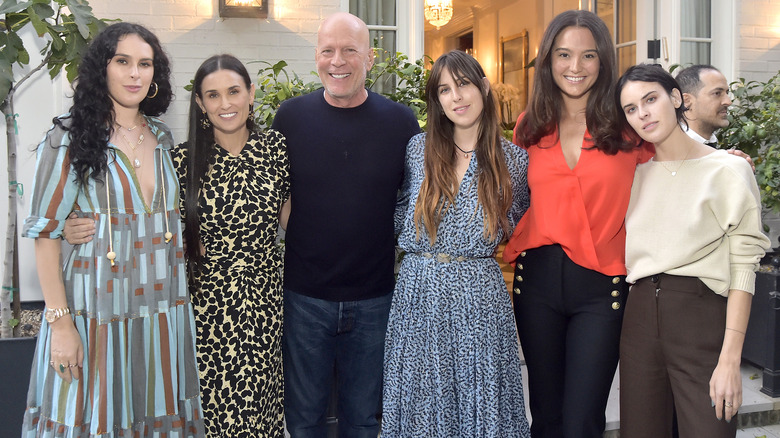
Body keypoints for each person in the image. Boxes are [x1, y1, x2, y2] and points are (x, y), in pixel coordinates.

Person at [21, 22, 204, 436]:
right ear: (101, 69)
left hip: (161, 306)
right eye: (123, 62)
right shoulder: (67, 137)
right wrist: (61, 325)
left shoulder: (162, 136)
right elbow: (46, 235)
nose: (135, 74)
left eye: (145, 64)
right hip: (98, 310)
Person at [270, 12, 420, 438]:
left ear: (369, 58)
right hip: (305, 299)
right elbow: (273, 194)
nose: (338, 60)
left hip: (376, 299)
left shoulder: (401, 124)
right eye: (328, 50)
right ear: (316, 56)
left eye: (350, 50)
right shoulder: (290, 118)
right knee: (304, 421)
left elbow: (415, 202)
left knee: (363, 420)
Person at [501, 10, 650, 437]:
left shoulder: (628, 125)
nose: (575, 67)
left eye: (588, 56)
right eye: (564, 54)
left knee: (583, 420)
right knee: (545, 418)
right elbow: (515, 196)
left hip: (602, 287)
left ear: (603, 61)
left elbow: (675, 160)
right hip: (537, 281)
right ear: (549, 60)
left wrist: (719, 160)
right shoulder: (531, 124)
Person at [381, 50, 531, 437]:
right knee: (421, 402)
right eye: (445, 90)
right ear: (437, 100)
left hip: (479, 300)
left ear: (483, 87)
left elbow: (522, 226)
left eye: (463, 84)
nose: (456, 97)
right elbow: (395, 210)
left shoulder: (514, 160)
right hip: (418, 296)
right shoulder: (417, 149)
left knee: (481, 401)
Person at [616, 63, 770, 438]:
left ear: (676, 98)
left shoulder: (729, 170)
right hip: (638, 320)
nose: (643, 114)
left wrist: (731, 360)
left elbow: (744, 267)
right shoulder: (632, 174)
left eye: (650, 99)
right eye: (631, 109)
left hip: (701, 317)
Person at [169, 54, 290, 437]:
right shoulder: (182, 160)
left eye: (234, 91)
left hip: (266, 300)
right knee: (218, 411)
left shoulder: (276, 150)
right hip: (209, 306)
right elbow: (153, 225)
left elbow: (295, 219)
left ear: (251, 94)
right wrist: (78, 224)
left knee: (264, 407)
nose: (225, 104)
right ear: (201, 104)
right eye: (213, 95)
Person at [675, 64, 732, 145]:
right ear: (686, 101)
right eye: (717, 93)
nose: (728, 101)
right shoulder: (672, 151)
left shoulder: (712, 147)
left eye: (727, 93)